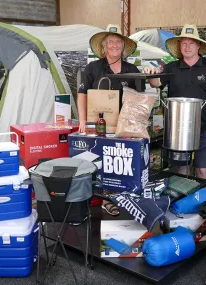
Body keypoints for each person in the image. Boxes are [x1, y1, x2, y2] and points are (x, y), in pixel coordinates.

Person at [77, 24, 142, 216]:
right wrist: (82, 120)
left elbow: (139, 97)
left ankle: (125, 196)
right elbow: (82, 94)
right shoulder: (93, 68)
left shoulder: (132, 68)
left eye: (118, 42)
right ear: (104, 47)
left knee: (123, 160)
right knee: (103, 160)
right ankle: (107, 199)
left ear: (123, 47)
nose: (114, 45)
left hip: (125, 125)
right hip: (100, 125)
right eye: (110, 42)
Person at [145, 24, 206, 180]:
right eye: (184, 43)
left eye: (191, 43)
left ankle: (203, 203)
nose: (187, 47)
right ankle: (183, 202)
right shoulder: (171, 67)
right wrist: (151, 73)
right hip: (177, 129)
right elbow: (155, 83)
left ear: (198, 45)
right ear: (179, 45)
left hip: (203, 128)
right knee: (182, 168)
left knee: (202, 170)